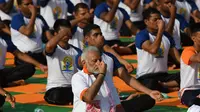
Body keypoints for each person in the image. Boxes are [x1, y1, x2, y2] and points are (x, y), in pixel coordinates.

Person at [77, 24, 163, 112]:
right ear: (87, 39)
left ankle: (124, 101)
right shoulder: (83, 58)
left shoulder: (109, 58)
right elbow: (81, 62)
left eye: (101, 34)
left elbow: (127, 78)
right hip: (91, 105)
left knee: (148, 99)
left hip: (111, 104)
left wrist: (150, 92)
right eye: (96, 35)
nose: (101, 36)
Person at [69, 3, 134, 73]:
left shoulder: (93, 29)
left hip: (90, 63)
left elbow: (107, 48)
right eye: (83, 14)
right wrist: (83, 18)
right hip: (75, 63)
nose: (87, 16)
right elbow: (65, 28)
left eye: (87, 13)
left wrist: (123, 61)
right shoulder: (73, 29)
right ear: (75, 14)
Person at [135, 8, 180, 93]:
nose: (159, 22)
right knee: (151, 84)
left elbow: (177, 57)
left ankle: (165, 86)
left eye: (160, 19)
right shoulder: (142, 35)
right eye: (155, 20)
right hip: (146, 76)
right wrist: (160, 31)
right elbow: (153, 50)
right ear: (146, 22)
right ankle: (168, 87)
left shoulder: (166, 36)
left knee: (186, 75)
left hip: (163, 76)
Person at [44, 19, 82, 105]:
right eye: (63, 32)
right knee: (56, 96)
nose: (65, 34)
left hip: (72, 87)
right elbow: (49, 46)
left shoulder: (76, 51)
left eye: (67, 32)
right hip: (55, 88)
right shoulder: (54, 48)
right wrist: (63, 33)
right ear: (55, 34)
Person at [10, 0, 53, 65]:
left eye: (31, 3)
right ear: (19, 7)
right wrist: (34, 14)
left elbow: (49, 37)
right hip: (24, 57)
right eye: (27, 4)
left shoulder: (39, 18)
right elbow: (28, 32)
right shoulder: (17, 18)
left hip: (40, 54)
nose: (31, 6)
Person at [179, 23, 200, 108]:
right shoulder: (187, 51)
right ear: (193, 38)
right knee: (194, 102)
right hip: (189, 90)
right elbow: (198, 58)